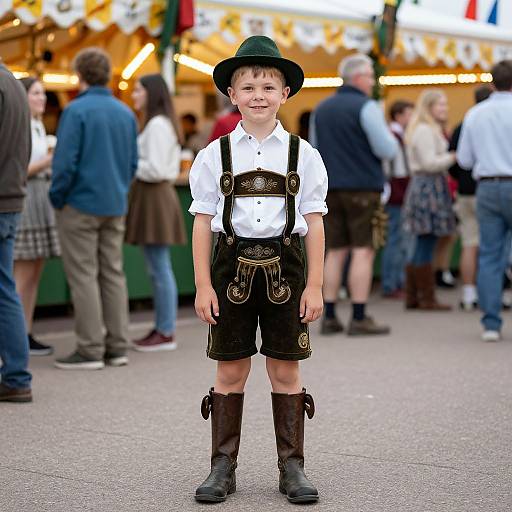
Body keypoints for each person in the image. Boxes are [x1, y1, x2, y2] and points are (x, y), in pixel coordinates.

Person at [189, 35, 327, 503]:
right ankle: (222, 468)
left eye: (268, 87)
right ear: (232, 95)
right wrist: (203, 284)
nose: (258, 95)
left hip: (288, 266)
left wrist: (316, 285)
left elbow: (314, 220)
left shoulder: (304, 155)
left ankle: (292, 467)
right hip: (230, 268)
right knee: (231, 370)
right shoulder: (214, 155)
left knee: (285, 370)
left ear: (285, 94)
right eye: (248, 87)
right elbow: (203, 222)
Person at [49, 47, 138, 369]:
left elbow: (64, 164)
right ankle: (117, 346)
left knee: (84, 275)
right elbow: (131, 164)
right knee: (113, 273)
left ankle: (89, 348)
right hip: (114, 202)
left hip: (80, 203)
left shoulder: (75, 111)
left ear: (80, 75)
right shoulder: (125, 112)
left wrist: (57, 197)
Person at [312, 53, 397, 335]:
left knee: (334, 251)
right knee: (363, 250)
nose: (373, 82)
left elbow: (314, 150)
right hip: (363, 186)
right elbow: (386, 149)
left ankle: (331, 315)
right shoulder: (367, 107)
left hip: (329, 189)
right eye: (371, 76)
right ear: (359, 77)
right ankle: (359, 316)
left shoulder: (320, 109)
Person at [126, 74, 187, 351]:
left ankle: (165, 330)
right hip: (153, 196)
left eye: (138, 90)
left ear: (151, 93)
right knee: (156, 267)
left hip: (155, 195)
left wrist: (127, 164)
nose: (134, 94)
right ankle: (163, 327)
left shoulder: (158, 125)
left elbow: (157, 169)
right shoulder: (156, 124)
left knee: (159, 267)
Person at [457, 60, 512, 342]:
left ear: (492, 83)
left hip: (488, 187)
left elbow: (464, 159)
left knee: (489, 254)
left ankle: (491, 323)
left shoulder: (476, 113)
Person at [14, 77, 61, 356]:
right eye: (36, 93)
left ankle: (26, 332)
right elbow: (20, 168)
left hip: (41, 197)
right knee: (22, 274)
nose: (42, 98)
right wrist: (50, 160)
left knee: (35, 273)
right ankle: (16, 337)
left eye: (43, 93)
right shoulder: (20, 126)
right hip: (27, 198)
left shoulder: (38, 125)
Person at [402, 89, 456, 311]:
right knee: (425, 240)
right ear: (429, 107)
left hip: (427, 186)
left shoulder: (426, 129)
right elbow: (429, 162)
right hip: (428, 187)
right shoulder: (425, 130)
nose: (445, 108)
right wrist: (454, 156)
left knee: (423, 241)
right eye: (440, 105)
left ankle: (415, 295)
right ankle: (426, 297)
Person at [0, 61, 33, 402]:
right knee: (5, 288)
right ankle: (15, 373)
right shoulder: (12, 82)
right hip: (11, 198)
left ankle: (15, 374)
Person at [449, 85, 492, 310]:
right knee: (495, 246)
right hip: (491, 186)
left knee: (469, 242)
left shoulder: (465, 123)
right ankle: (495, 295)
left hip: (467, 190)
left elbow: (459, 160)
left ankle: (468, 293)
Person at [381, 100, 414, 299]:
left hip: (397, 191)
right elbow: (395, 169)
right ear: (399, 115)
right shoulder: (393, 137)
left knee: (398, 239)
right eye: (409, 114)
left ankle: (395, 281)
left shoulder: (398, 136)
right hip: (396, 193)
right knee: (396, 240)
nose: (411, 118)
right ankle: (391, 283)